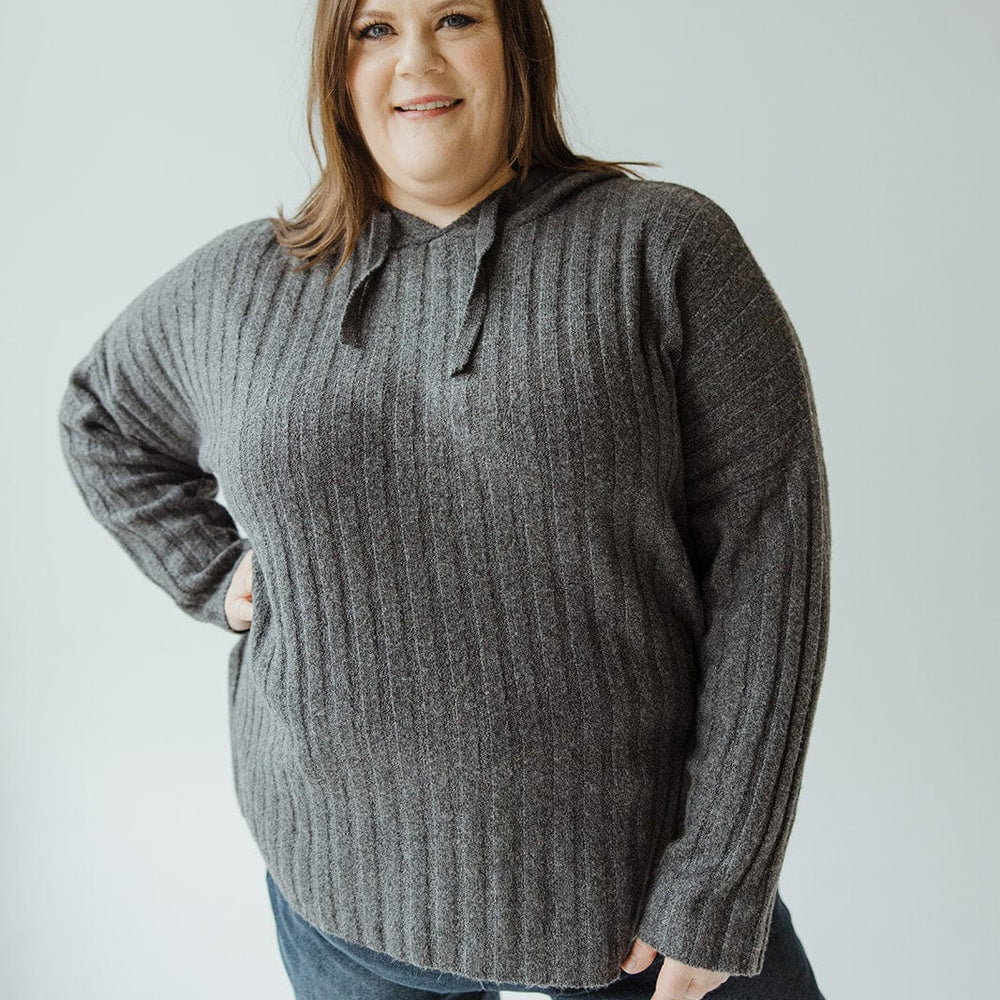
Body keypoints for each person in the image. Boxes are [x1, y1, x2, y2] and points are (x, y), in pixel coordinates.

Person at [56, 0, 832, 998]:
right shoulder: (242, 285)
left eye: (454, 17)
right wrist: (216, 573)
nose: (415, 58)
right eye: (373, 28)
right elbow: (100, 417)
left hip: (635, 900)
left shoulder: (662, 249)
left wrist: (717, 884)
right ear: (337, 70)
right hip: (341, 891)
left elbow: (770, 570)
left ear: (517, 43)